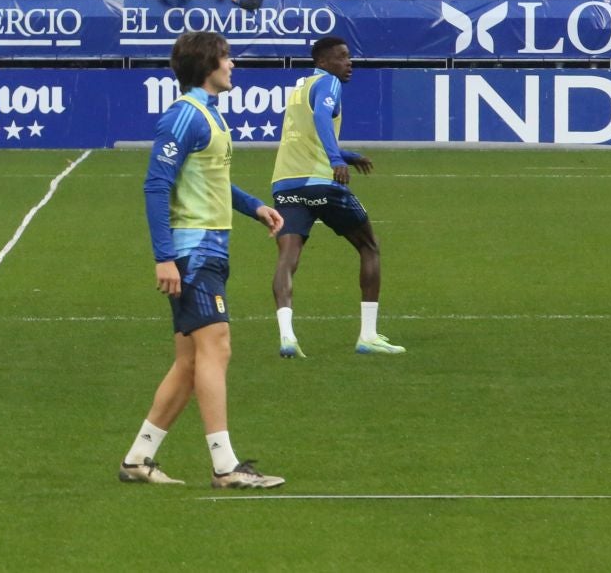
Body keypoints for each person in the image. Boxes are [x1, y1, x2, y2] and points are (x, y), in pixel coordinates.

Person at [120, 31, 285, 489]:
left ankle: (138, 459)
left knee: (191, 362)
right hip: (193, 253)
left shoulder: (207, 116)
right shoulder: (184, 118)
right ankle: (225, 467)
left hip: (206, 249)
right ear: (207, 64)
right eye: (227, 56)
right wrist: (164, 258)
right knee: (218, 347)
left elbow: (211, 180)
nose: (233, 64)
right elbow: (156, 185)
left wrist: (253, 206)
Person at [268, 37, 405, 359]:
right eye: (343, 57)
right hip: (320, 183)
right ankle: (368, 335)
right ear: (325, 61)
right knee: (369, 246)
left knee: (288, 257)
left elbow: (304, 137)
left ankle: (287, 336)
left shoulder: (300, 89)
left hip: (285, 184)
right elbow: (321, 121)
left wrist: (345, 153)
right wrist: (335, 159)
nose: (349, 62)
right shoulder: (329, 83)